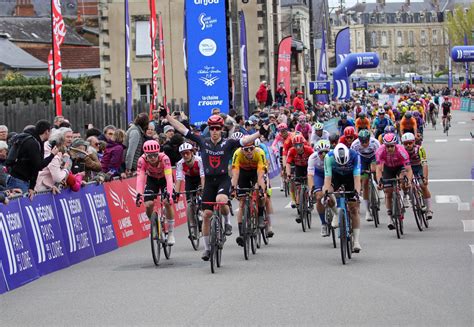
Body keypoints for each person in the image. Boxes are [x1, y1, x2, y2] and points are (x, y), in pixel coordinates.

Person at [163, 112, 263, 261]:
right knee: (206, 215)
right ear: (209, 129)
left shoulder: (228, 143)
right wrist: (168, 117)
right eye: (212, 128)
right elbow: (182, 129)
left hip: (223, 180)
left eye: (217, 128)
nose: (215, 131)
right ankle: (207, 249)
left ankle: (227, 222)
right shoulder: (203, 141)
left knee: (221, 199)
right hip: (209, 182)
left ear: (221, 129)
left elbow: (246, 140)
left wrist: (259, 133)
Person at [322, 143, 362, 252]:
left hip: (350, 177)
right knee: (328, 195)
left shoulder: (354, 156)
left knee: (354, 208)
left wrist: (357, 193)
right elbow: (327, 178)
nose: (343, 165)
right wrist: (326, 193)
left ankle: (356, 241)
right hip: (336, 177)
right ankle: (336, 213)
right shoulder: (329, 157)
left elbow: (357, 178)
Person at [135, 140, 176, 245]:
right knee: (148, 204)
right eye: (150, 156)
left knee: (167, 202)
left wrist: (170, 194)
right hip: (152, 180)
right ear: (145, 155)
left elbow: (169, 178)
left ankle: (170, 233)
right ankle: (154, 224)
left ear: (158, 153)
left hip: (164, 179)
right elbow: (140, 179)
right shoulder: (141, 160)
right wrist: (139, 195)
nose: (152, 158)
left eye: (155, 155)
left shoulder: (164, 159)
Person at [6, 120, 59, 196]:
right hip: (18, 181)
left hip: (24, 180)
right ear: (47, 131)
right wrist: (52, 155)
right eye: (50, 131)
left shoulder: (37, 142)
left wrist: (31, 187)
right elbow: (39, 165)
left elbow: (34, 167)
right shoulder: (32, 143)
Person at [231, 141, 268, 246]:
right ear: (242, 149)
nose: (249, 151)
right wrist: (233, 188)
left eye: (251, 148)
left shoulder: (259, 153)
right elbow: (235, 173)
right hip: (243, 173)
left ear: (254, 148)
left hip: (256, 172)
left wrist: (261, 189)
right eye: (246, 149)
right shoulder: (237, 154)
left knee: (261, 195)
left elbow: (260, 175)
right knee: (242, 203)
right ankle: (241, 234)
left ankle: (260, 216)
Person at [375, 133, 413, 230]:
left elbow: (409, 169)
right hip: (388, 168)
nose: (390, 148)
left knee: (403, 179)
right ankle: (390, 217)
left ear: (395, 144)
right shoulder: (380, 151)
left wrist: (408, 181)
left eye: (392, 146)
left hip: (400, 167)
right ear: (384, 145)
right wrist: (379, 181)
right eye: (387, 146)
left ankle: (405, 195)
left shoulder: (401, 150)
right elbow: (378, 169)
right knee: (388, 192)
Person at [401, 133, 433, 219]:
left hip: (419, 167)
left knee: (423, 185)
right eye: (405, 143)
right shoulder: (401, 151)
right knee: (404, 182)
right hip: (408, 168)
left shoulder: (420, 149)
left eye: (410, 143)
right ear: (402, 144)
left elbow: (424, 164)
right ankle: (407, 195)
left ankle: (429, 209)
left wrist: (425, 178)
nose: (408, 145)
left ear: (414, 142)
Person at [351, 129, 380, 221]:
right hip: (362, 159)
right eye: (362, 142)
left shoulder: (375, 142)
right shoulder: (355, 144)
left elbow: (380, 155)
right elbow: (353, 159)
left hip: (373, 157)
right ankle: (368, 211)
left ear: (369, 139)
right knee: (365, 183)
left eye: (366, 141)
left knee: (374, 169)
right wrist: (357, 170)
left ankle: (377, 185)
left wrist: (378, 168)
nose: (364, 144)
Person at [308, 140, 331, 236]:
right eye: (321, 152)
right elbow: (310, 175)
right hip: (319, 174)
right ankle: (323, 223)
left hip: (330, 173)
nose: (324, 154)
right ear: (317, 152)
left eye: (326, 152)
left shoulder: (332, 156)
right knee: (318, 197)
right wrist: (311, 188)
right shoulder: (312, 158)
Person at [286, 135, 314, 214]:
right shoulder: (291, 151)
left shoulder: (308, 149)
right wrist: (288, 174)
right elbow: (288, 163)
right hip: (298, 167)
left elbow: (315, 159)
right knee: (298, 187)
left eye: (300, 145)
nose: (298, 148)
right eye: (296, 145)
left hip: (308, 166)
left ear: (303, 144)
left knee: (309, 181)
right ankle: (299, 207)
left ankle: (310, 198)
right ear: (293, 145)